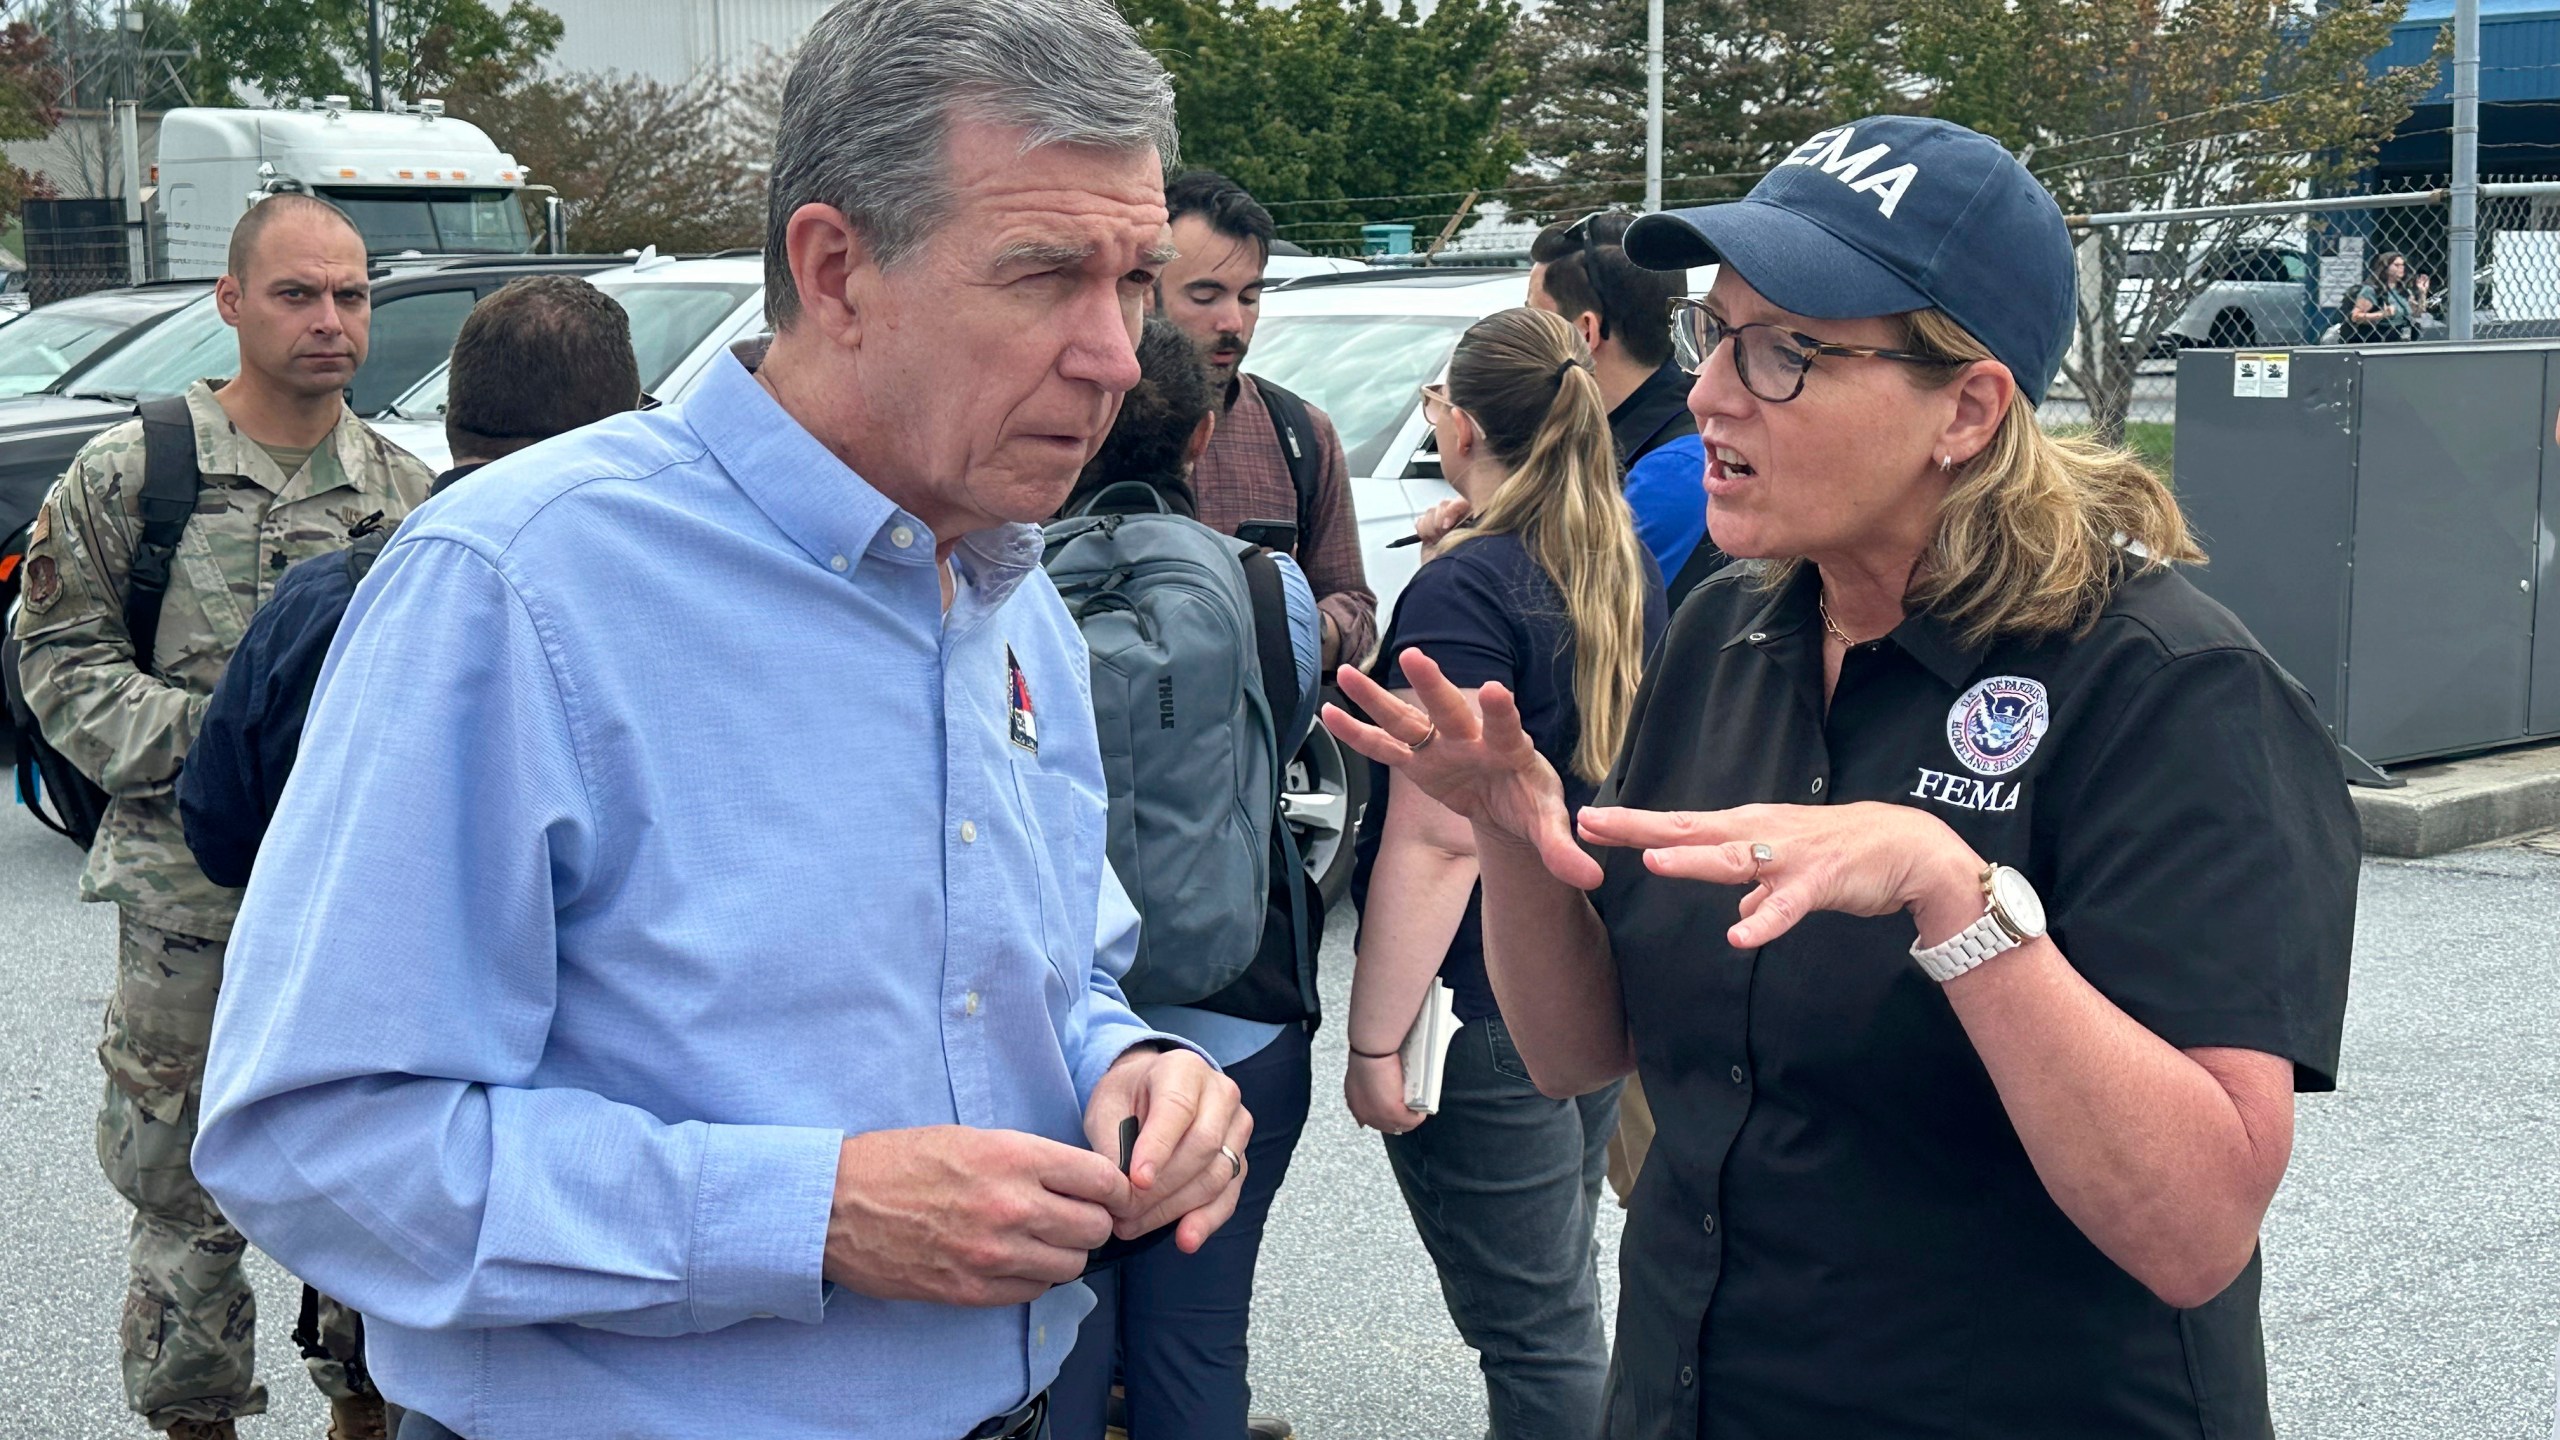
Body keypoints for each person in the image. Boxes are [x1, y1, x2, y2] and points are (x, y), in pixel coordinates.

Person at [190, 3, 1249, 1437]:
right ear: (834, 268)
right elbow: (315, 1141)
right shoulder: (521, 585)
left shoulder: (1011, 593)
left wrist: (1132, 1071)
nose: (1118, 357)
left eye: (1132, 281)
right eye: (1047, 274)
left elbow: (1048, 982)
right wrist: (811, 1216)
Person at [1324, 115, 2360, 1439]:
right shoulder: (1723, 632)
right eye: (1717, 334)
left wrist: (1956, 897)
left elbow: (2197, 1227)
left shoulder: (2166, 691)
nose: (1708, 394)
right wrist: (1518, 839)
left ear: (1969, 409)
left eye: (1785, 355)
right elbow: (1586, 1051)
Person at [11, 192, 434, 1440]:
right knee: (184, 1205)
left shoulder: (406, 491)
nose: (331, 321)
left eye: (351, 296)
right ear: (230, 301)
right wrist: (226, 748)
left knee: (367, 1180)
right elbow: (60, 665)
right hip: (185, 905)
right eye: (299, 294)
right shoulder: (137, 472)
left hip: (348, 903)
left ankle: (368, 1416)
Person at [1343, 305, 1666, 1440]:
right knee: (1564, 1304)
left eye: (1434, 401)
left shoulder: (1466, 592)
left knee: (1535, 1337)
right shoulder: (1614, 563)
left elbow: (1438, 836)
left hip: (1479, 1010)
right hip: (1586, 978)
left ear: (1463, 426)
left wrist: (1375, 1040)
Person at [1050, 317, 1318, 1440]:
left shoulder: (1005, 587)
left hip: (1059, 1025)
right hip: (1236, 1013)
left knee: (1054, 1345)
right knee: (1198, 1341)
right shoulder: (1268, 588)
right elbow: (1282, 738)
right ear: (1203, 437)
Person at [180, 275, 643, 889]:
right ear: (618, 431)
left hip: (352, 962)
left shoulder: (328, 601)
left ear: (454, 419)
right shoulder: (658, 606)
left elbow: (221, 835)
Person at [1154, 169, 1377, 669]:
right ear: (1146, 288)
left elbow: (1355, 608)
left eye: (1250, 297)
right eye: (1205, 296)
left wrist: (1292, 624)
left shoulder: (1300, 434)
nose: (1232, 321)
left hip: (1266, 742)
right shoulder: (1084, 425)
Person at [1527, 209, 1713, 590]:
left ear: (1585, 330)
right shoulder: (1620, 439)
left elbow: (1573, 628)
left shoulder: (1674, 472)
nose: (1523, 335)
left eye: (1534, 319)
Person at [2344, 250, 2429, 343]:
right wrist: (2382, 314)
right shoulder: (2372, 290)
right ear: (2385, 267)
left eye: (2402, 265)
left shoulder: (2403, 291)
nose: (2401, 268)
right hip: (2378, 340)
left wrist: (2422, 293)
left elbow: (2417, 313)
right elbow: (2355, 317)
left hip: (2400, 339)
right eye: (2396, 265)